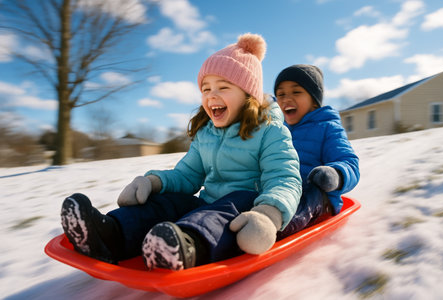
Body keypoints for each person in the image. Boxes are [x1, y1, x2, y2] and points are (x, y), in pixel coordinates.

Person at [60, 33, 302, 271]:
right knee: (171, 203)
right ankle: (109, 233)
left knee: (230, 203)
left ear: (248, 94)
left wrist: (269, 213)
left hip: (246, 213)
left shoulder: (271, 131)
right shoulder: (207, 134)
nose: (211, 95)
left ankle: (187, 246)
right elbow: (187, 175)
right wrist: (154, 182)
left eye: (223, 87)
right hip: (207, 204)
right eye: (205, 89)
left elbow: (284, 178)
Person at [273, 64, 360, 239]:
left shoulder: (328, 127)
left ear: (314, 100)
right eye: (280, 94)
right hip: (282, 192)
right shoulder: (277, 130)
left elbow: (348, 161)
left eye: (296, 92)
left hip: (316, 199)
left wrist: (335, 174)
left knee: (312, 192)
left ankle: (276, 229)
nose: (286, 99)